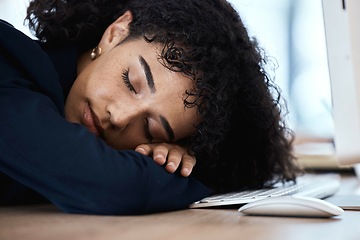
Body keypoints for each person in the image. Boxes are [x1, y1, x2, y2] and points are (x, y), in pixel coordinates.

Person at [0, 0, 300, 215]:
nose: (118, 117)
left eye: (151, 129)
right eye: (131, 82)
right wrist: (189, 179)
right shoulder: (7, 62)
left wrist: (171, 162)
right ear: (115, 33)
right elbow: (109, 186)